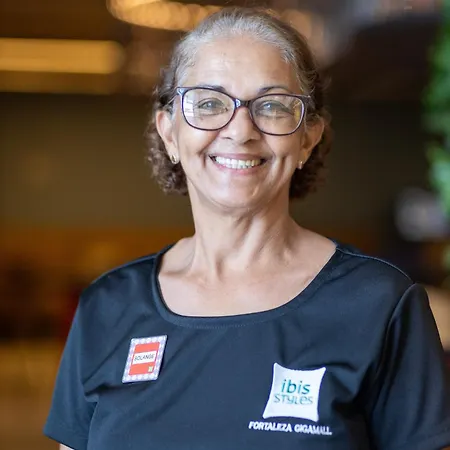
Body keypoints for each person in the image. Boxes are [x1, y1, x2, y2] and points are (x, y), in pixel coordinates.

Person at [44, 7, 450, 450]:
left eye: (272, 106)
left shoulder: (379, 304)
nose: (240, 131)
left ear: (308, 138)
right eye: (209, 103)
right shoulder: (107, 307)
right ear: (169, 133)